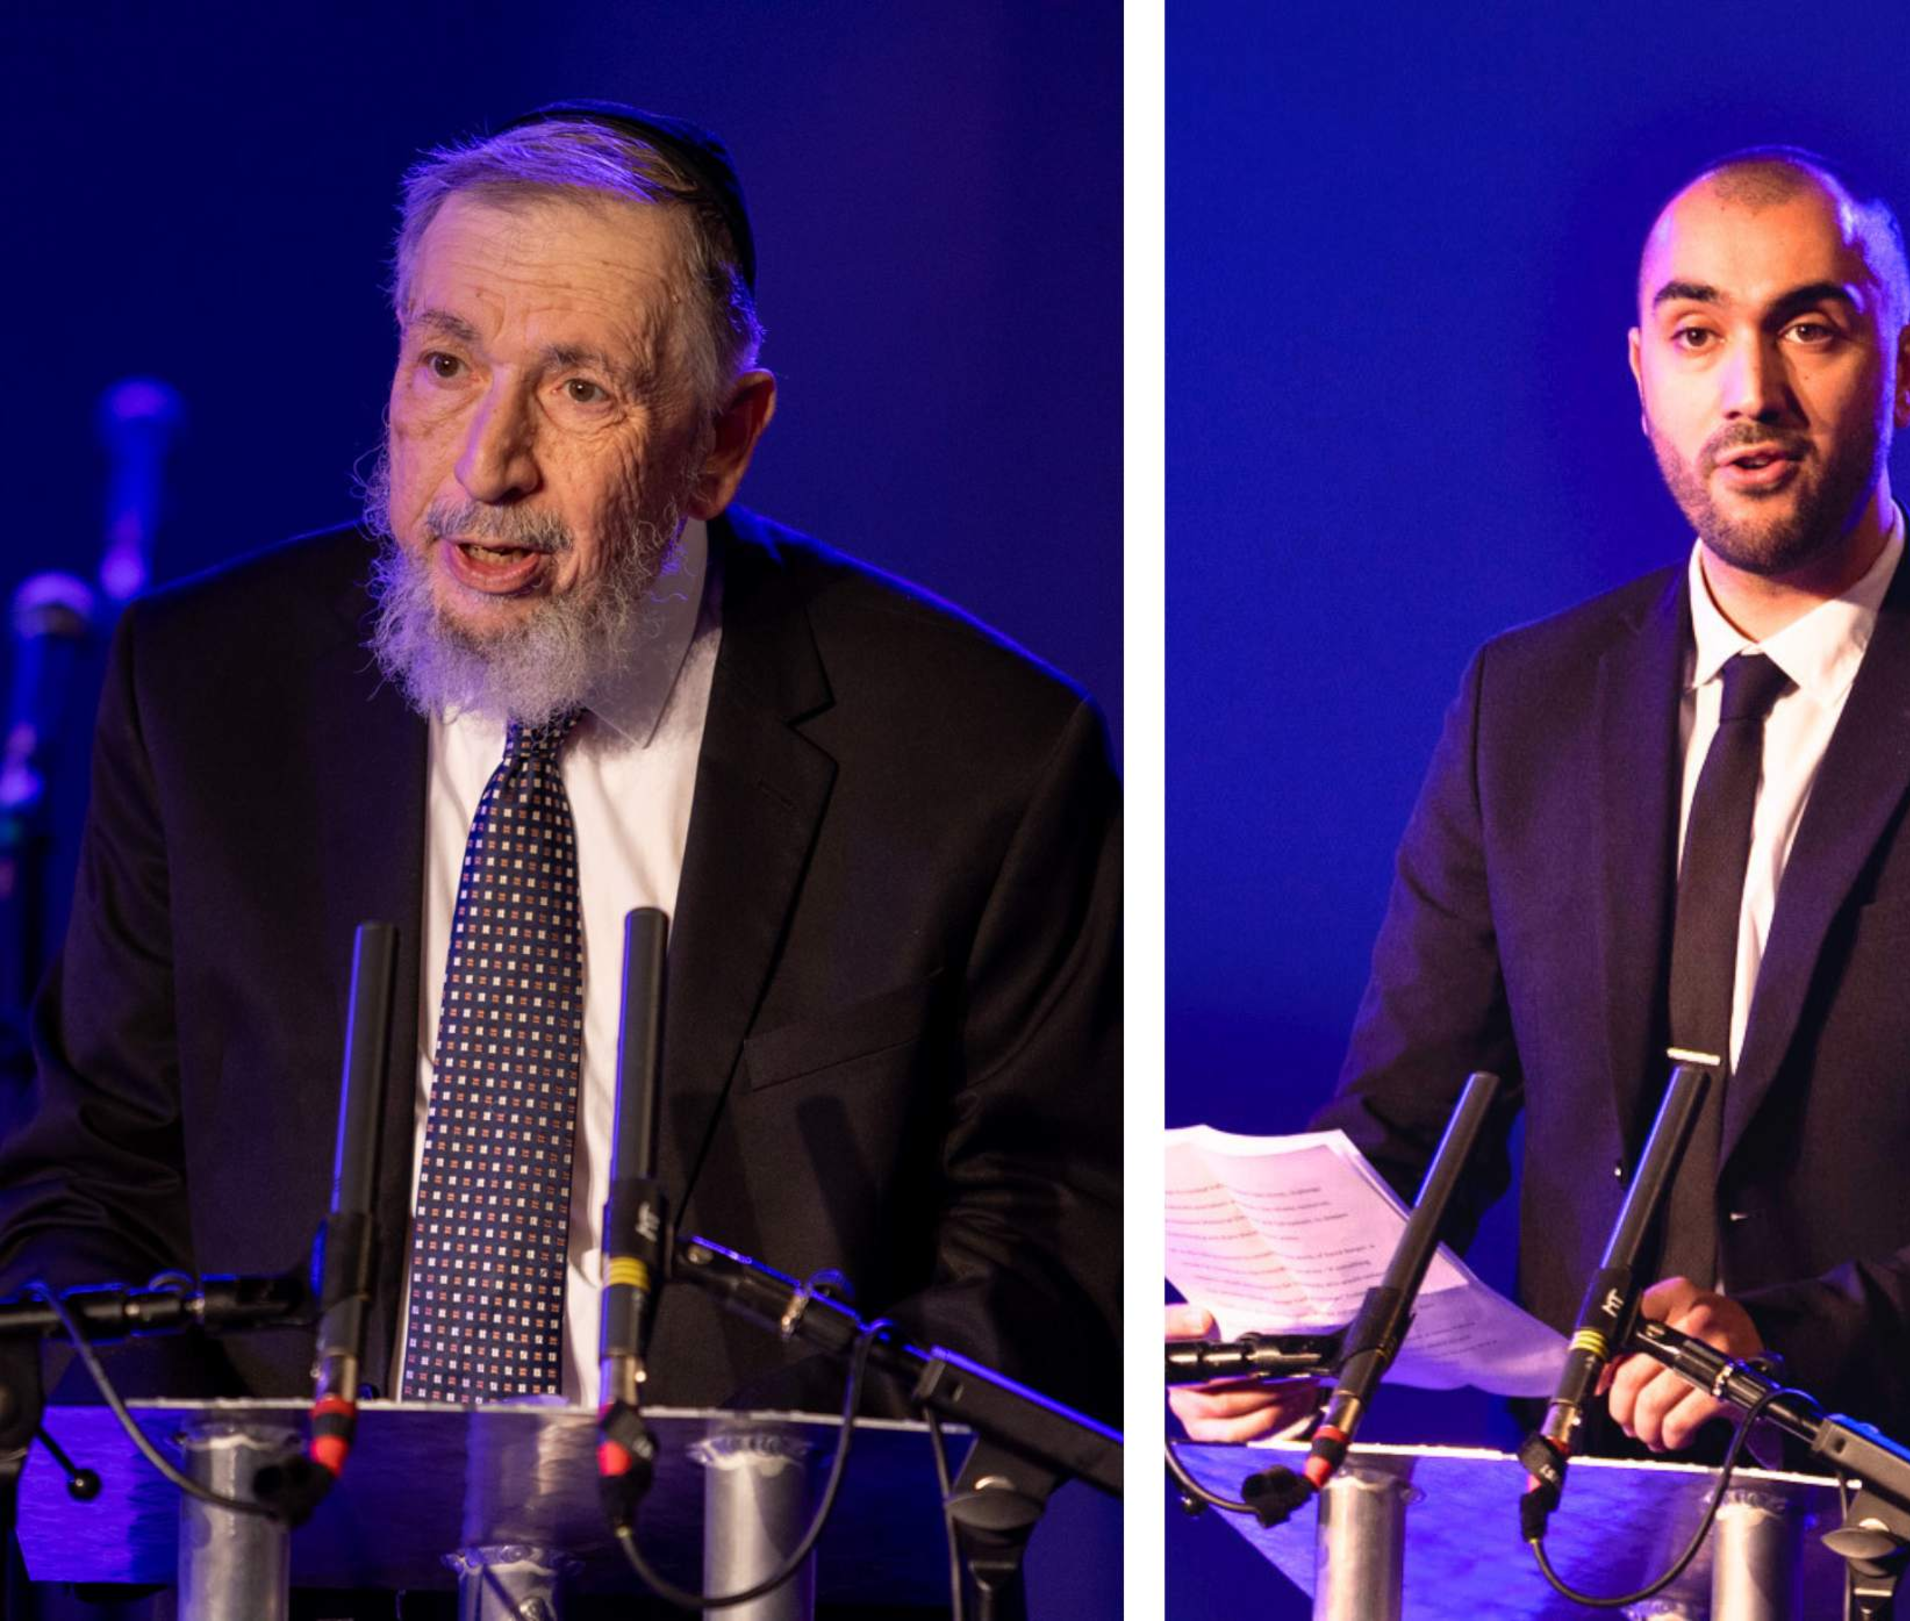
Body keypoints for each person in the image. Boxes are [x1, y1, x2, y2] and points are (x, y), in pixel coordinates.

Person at [1170, 149, 1910, 1615]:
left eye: (1810, 327)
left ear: (1906, 369)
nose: (1749, 391)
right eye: (1697, 331)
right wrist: (1293, 1328)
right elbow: (1415, 1114)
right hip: (1585, 1538)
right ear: (1642, 375)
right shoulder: (1523, 702)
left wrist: (1787, 1346)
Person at [0, 102, 1120, 1437]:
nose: (488, 465)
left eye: (580, 390)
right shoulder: (202, 687)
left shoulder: (984, 755)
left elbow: (1041, 1248)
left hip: (740, 1534)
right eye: (446, 364)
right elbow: (92, 1183)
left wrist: (745, 1509)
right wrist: (199, 1500)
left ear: (721, 442)